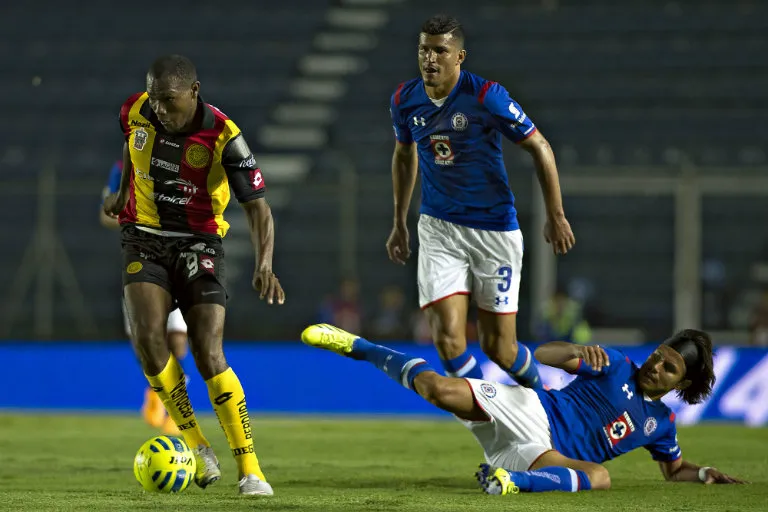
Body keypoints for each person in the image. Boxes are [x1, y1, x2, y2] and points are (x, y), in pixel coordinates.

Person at [103, 54, 285, 496]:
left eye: (169, 100)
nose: (160, 109)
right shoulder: (135, 110)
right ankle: (196, 444)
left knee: (207, 354)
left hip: (198, 242)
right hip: (143, 237)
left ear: (194, 92)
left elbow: (258, 208)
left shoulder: (225, 136)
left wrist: (264, 264)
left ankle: (250, 469)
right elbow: (131, 145)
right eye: (155, 98)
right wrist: (124, 191)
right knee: (149, 340)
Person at [301, 323, 746, 494]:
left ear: (681, 383)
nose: (655, 364)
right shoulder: (615, 364)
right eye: (658, 353)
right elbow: (545, 355)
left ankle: (509, 481)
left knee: (601, 477)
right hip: (533, 411)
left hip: (541, 456)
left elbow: (673, 469)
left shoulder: (662, 425)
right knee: (437, 388)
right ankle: (358, 346)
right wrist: (574, 349)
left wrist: (705, 473)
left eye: (667, 367)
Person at [385, 14, 575, 388]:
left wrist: (556, 214)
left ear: (460, 57)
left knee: (500, 348)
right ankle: (491, 418)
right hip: (438, 227)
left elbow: (540, 146)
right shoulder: (404, 100)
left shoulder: (486, 96)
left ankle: (547, 402)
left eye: (440, 50)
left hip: (493, 230)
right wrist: (399, 221)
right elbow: (404, 157)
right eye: (424, 50)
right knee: (447, 341)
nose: (430, 59)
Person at [100, 159, 187, 434]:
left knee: (177, 339)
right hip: (139, 261)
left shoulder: (181, 161)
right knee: (145, 340)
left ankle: (176, 407)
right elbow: (105, 215)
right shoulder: (121, 168)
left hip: (179, 261)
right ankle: (154, 393)